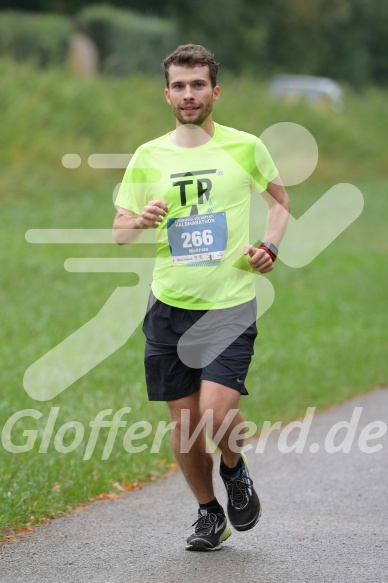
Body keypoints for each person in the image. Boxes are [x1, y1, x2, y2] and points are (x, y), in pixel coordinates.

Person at [113, 44, 290, 551]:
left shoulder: (246, 146)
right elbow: (119, 232)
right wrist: (139, 220)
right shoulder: (149, 156)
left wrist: (270, 246)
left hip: (229, 301)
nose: (188, 95)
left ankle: (234, 470)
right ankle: (209, 513)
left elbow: (281, 202)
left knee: (216, 414)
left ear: (215, 90)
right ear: (166, 93)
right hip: (168, 304)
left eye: (197, 85)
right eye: (179, 85)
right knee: (186, 425)